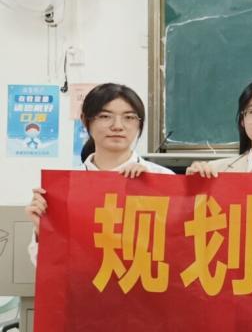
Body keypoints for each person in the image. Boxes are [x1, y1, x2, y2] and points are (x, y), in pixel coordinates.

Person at [24, 83, 175, 264]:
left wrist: (197, 185)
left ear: (139, 124)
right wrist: (43, 230)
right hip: (87, 283)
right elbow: (47, 267)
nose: (117, 126)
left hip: (144, 280)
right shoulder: (64, 188)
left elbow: (179, 251)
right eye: (105, 116)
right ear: (85, 120)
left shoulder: (163, 178)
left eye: (129, 117)